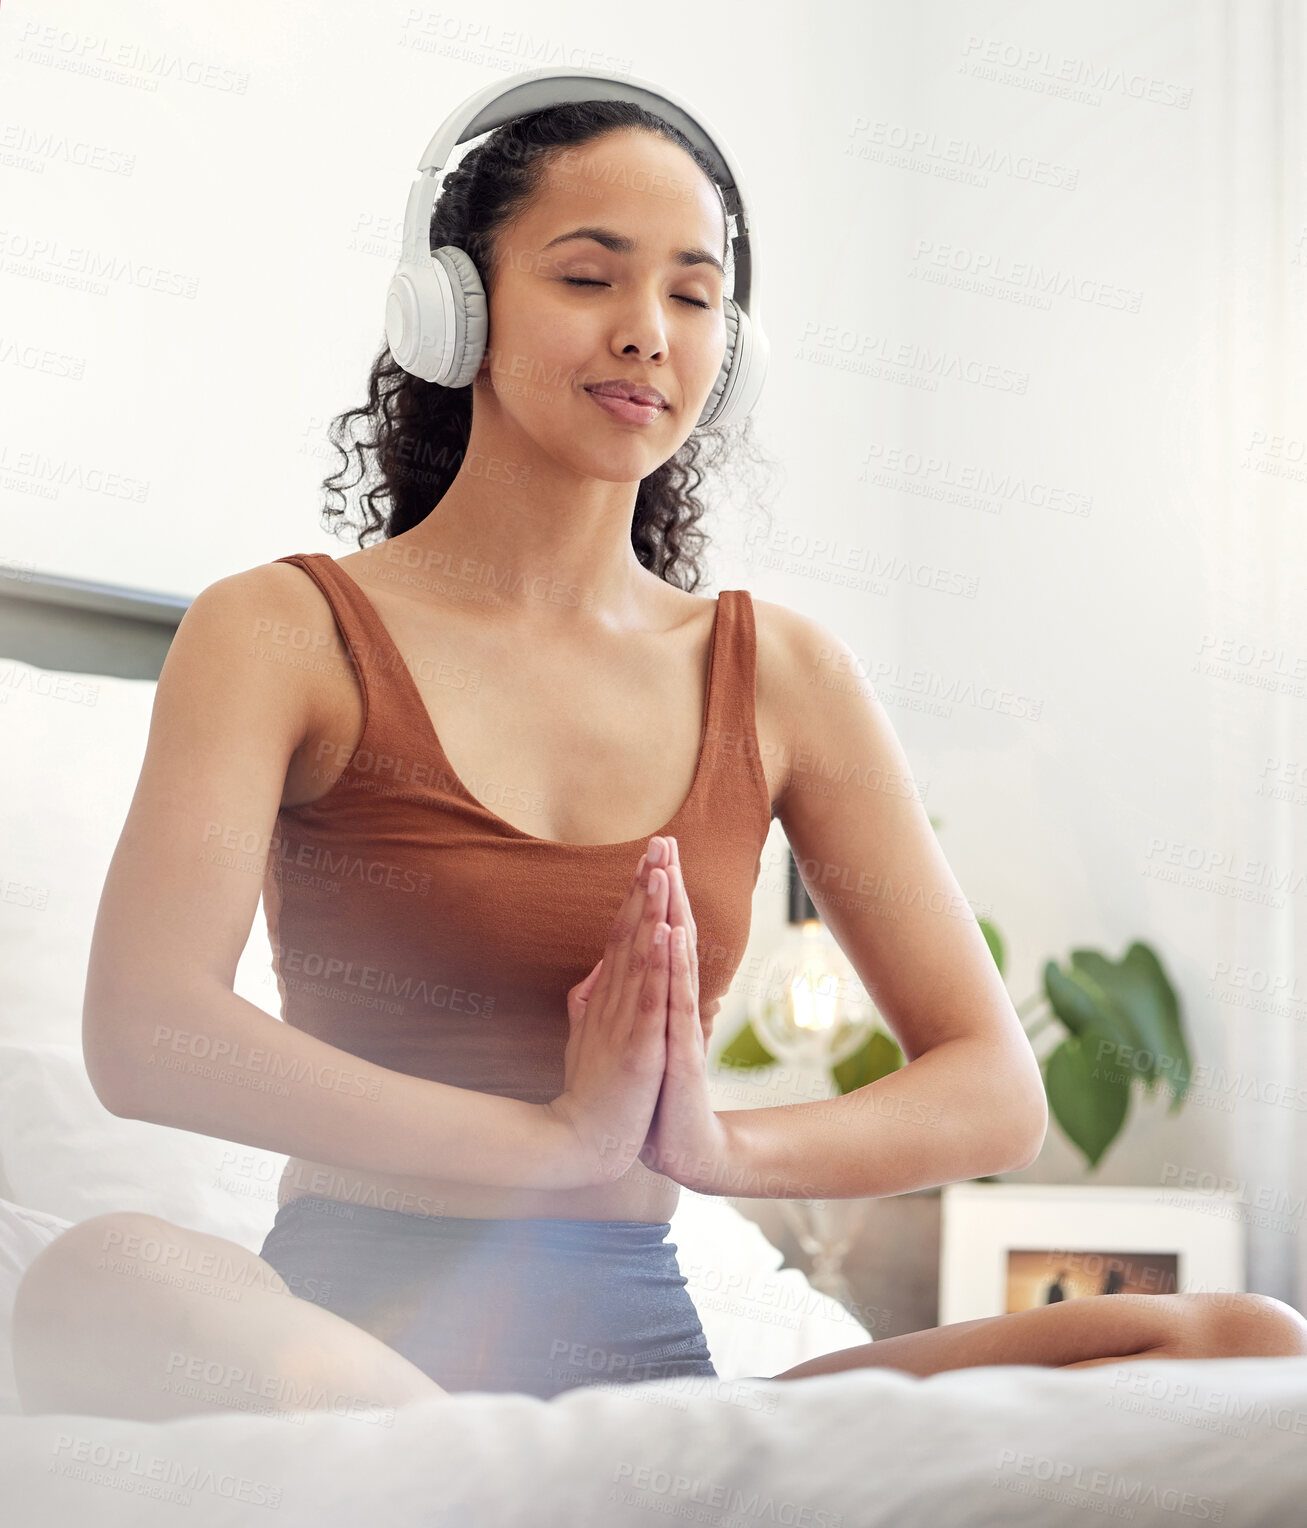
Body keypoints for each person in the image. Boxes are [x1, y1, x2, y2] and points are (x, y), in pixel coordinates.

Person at [14, 97, 1307, 1423]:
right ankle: (484, 1480)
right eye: (589, 276)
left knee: (1241, 1336)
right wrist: (550, 1139)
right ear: (454, 308)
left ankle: (546, 1494)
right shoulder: (282, 630)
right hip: (339, 1352)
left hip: (644, 1380)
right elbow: (148, 1032)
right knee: (105, 1272)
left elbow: (991, 1088)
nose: (647, 328)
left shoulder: (785, 675)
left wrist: (711, 1146)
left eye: (693, 297)